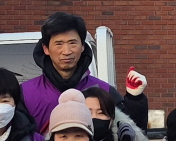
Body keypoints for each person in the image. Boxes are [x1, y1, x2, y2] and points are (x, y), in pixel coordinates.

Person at [20, 11, 150, 131]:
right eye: (59, 43)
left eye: (72, 43)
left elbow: (133, 135)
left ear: (82, 46)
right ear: (46, 49)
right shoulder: (25, 93)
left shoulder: (104, 90)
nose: (66, 51)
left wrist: (135, 99)